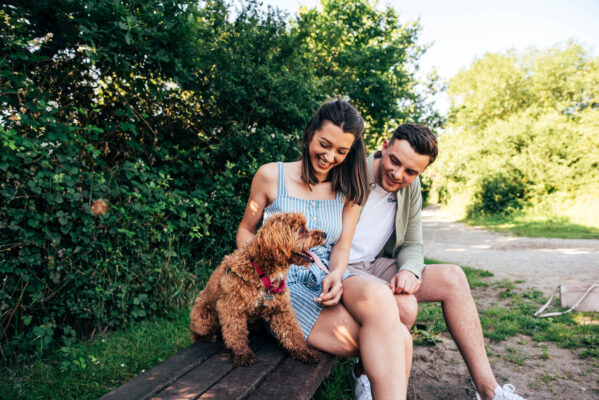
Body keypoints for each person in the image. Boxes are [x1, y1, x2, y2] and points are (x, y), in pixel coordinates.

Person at [236, 100, 413, 399]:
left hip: (325, 278)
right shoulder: (270, 175)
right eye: (325, 144)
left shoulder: (349, 187)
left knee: (395, 325)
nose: (330, 157)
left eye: (342, 151)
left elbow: (342, 246)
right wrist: (262, 271)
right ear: (309, 136)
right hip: (280, 287)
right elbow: (245, 230)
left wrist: (336, 274)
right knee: (399, 339)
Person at [347, 123, 527, 400]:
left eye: (411, 171)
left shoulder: (411, 186)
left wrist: (409, 269)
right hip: (341, 269)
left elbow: (412, 243)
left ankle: (490, 391)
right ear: (384, 147)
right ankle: (366, 374)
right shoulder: (350, 169)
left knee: (453, 277)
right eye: (394, 161)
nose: (398, 174)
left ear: (422, 171)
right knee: (405, 308)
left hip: (373, 266)